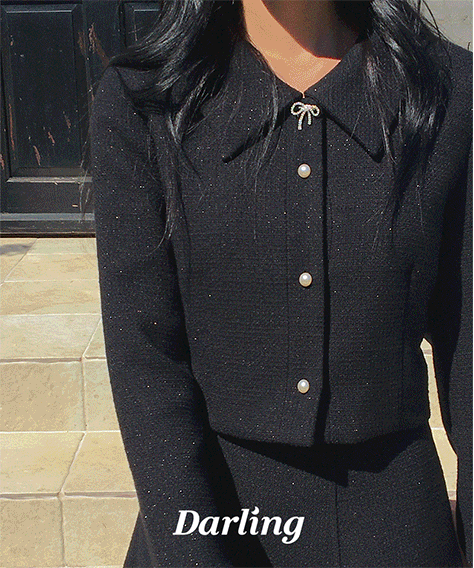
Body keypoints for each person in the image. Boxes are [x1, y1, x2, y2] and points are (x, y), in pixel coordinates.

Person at [86, 0, 473, 566]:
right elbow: (146, 362)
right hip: (207, 526)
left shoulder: (448, 92)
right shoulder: (144, 100)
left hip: (397, 530)